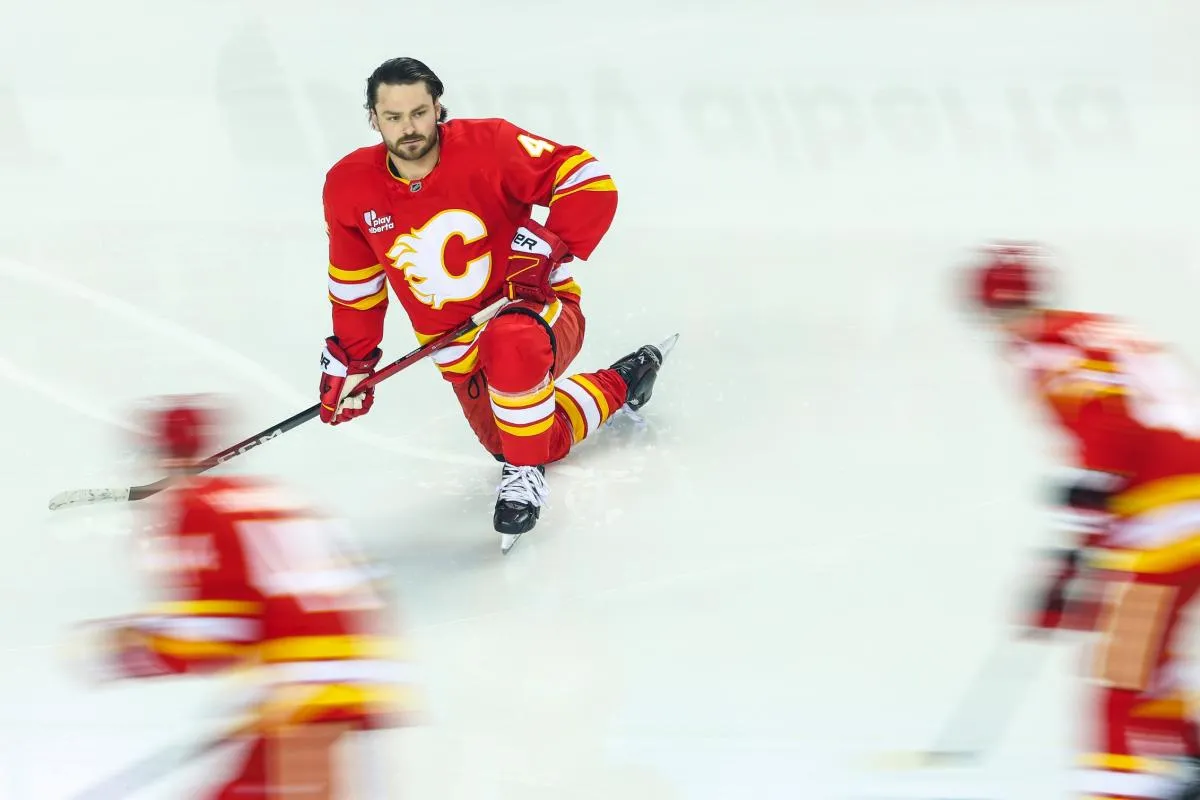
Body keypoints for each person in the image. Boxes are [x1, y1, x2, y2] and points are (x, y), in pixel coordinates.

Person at [316, 56, 676, 547]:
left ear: (438, 107)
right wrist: (353, 362)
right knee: (528, 437)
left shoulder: (491, 145)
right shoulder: (349, 185)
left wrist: (544, 250)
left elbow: (587, 180)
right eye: (394, 117)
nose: (409, 128)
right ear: (373, 118)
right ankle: (624, 379)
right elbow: (357, 285)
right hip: (456, 347)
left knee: (512, 349)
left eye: (419, 112)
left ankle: (522, 481)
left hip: (539, 312)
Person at [75, 396, 409, 799]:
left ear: (159, 454)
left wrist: (130, 649)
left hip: (305, 684)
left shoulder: (196, 508)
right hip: (361, 669)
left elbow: (214, 635)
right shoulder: (275, 496)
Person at [968, 242, 1200, 799]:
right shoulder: (1102, 329)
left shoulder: (1044, 348)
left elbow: (1109, 428)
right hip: (1172, 508)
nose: (1006, 328)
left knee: (1121, 668)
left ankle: (1116, 790)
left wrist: (1076, 541)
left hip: (1167, 517)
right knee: (1150, 655)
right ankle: (1191, 761)